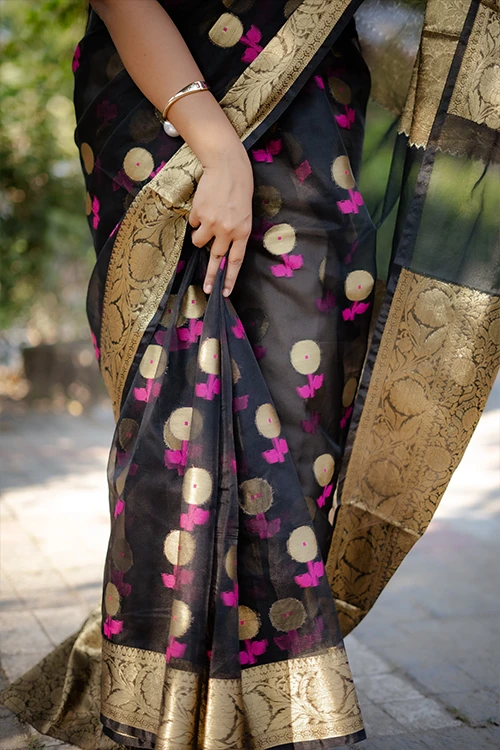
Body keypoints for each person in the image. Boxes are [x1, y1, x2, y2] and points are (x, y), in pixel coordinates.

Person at [1, 1, 499, 749]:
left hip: (317, 120)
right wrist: (216, 147)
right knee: (180, 421)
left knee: (300, 432)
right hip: (167, 118)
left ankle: (263, 706)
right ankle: (165, 712)